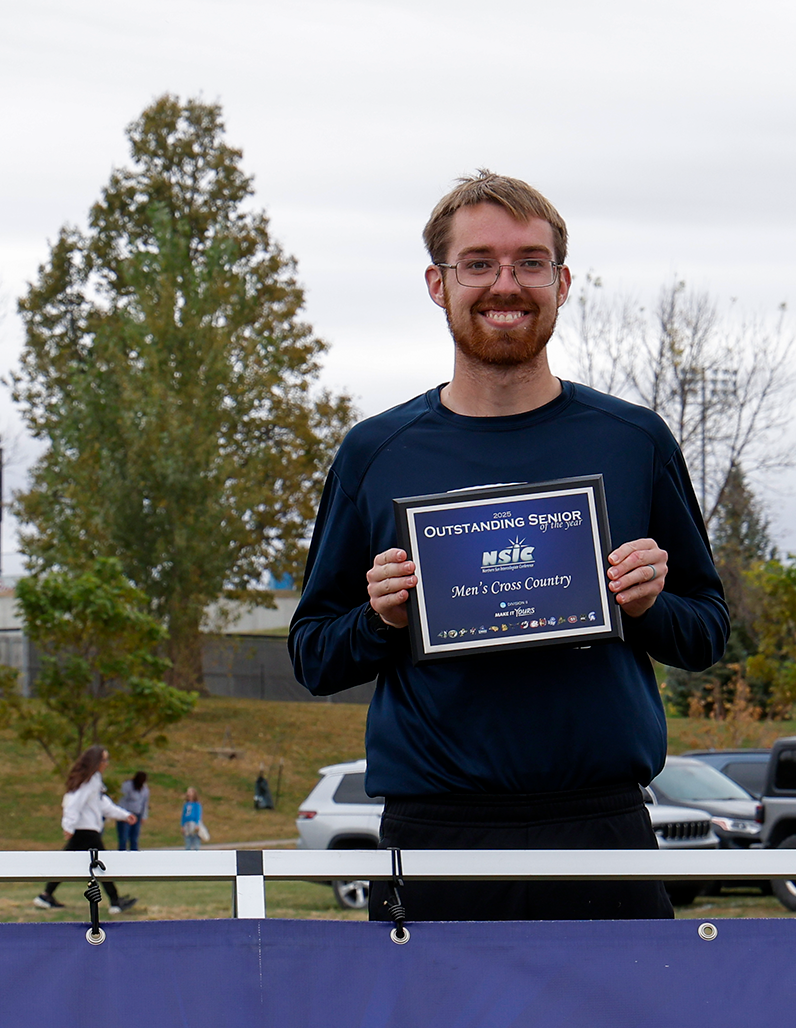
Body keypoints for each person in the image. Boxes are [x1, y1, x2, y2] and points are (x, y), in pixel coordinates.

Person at [287, 170, 729, 922]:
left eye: (529, 262)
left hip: (603, 829)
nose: (506, 284)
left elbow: (707, 631)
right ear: (439, 284)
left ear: (561, 283)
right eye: (479, 263)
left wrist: (650, 606)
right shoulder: (376, 453)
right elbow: (313, 655)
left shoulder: (633, 442)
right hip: (433, 834)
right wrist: (380, 619)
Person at [34, 745, 139, 913]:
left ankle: (46, 895)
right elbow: (74, 803)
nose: (107, 763)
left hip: (85, 830)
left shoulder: (94, 780)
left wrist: (124, 815)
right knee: (102, 865)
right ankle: (115, 902)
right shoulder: (89, 781)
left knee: (69, 863)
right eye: (104, 760)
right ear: (96, 761)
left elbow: (102, 804)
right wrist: (68, 825)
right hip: (86, 831)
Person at [115, 770, 150, 850]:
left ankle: (134, 853)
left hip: (137, 814)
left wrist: (144, 816)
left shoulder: (145, 789)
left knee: (134, 838)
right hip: (126, 815)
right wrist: (123, 815)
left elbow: (145, 803)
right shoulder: (127, 786)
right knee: (124, 838)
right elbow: (122, 801)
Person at [181, 786, 208, 850]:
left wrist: (197, 824)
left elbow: (198, 815)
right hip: (187, 824)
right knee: (188, 841)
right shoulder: (186, 804)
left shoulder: (197, 804)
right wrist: (182, 825)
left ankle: (196, 852)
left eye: (190, 792)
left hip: (194, 823)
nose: (188, 793)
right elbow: (184, 815)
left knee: (195, 841)